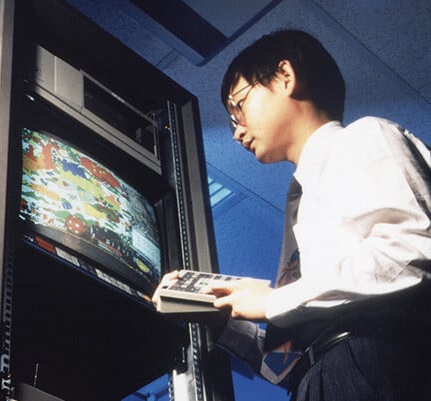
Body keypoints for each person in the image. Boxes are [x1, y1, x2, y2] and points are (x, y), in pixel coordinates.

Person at [159, 29, 431, 401]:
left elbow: (412, 252)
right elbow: (287, 362)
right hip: (322, 377)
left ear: (285, 77)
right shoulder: (301, 206)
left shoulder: (365, 137)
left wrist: (272, 301)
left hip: (379, 363)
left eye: (238, 106)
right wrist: (223, 318)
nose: (236, 131)